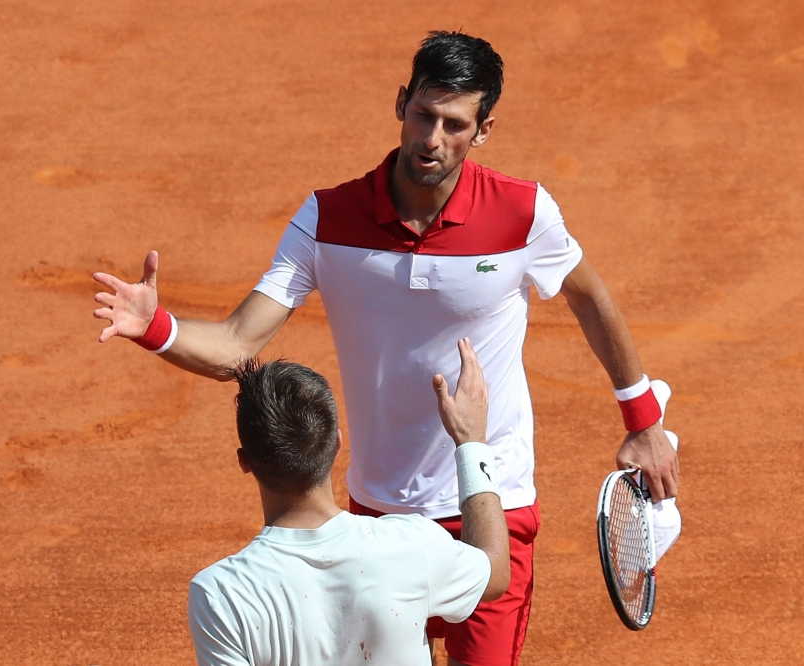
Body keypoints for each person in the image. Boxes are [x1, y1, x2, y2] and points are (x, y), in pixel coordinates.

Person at [93, 31, 679, 665]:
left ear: (482, 130)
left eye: (455, 124)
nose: (432, 138)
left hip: (491, 496)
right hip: (378, 514)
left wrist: (643, 420)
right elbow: (238, 343)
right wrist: (157, 328)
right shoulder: (327, 219)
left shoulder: (523, 214)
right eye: (424, 114)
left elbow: (589, 297)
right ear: (401, 103)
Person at [189, 339, 510, 666]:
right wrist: (471, 443)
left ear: (245, 462)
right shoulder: (411, 544)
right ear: (337, 444)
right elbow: (495, 571)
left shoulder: (220, 594)